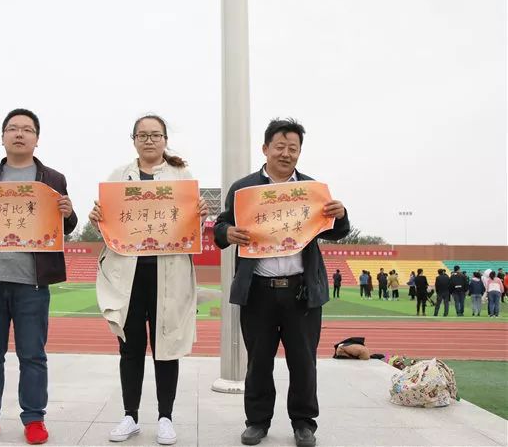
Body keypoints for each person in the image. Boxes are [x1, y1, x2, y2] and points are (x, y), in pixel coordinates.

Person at [213, 118, 350, 447]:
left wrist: (341, 214)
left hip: (301, 292)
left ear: (299, 152)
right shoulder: (244, 189)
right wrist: (227, 232)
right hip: (258, 291)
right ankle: (257, 422)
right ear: (265, 149)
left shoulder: (312, 190)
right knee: (258, 362)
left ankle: (304, 423)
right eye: (280, 147)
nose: (286, 154)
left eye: (293, 148)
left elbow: (336, 231)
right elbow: (220, 226)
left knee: (303, 362)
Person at [0, 108, 78, 444]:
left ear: (37, 138)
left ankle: (34, 419)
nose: (19, 134)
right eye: (12, 128)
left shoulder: (52, 179)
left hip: (32, 282)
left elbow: (65, 226)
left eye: (27, 129)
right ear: (3, 136)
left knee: (32, 356)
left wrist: (68, 213)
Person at [90, 115, 208, 445]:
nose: (149, 140)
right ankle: (130, 416)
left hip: (168, 273)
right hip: (128, 276)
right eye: (142, 135)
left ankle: (165, 417)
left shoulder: (181, 177)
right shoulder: (119, 177)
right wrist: (98, 219)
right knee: (130, 349)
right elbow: (110, 227)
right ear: (133, 140)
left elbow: (191, 231)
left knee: (166, 349)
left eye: (156, 135)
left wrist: (200, 216)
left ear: (165, 140)